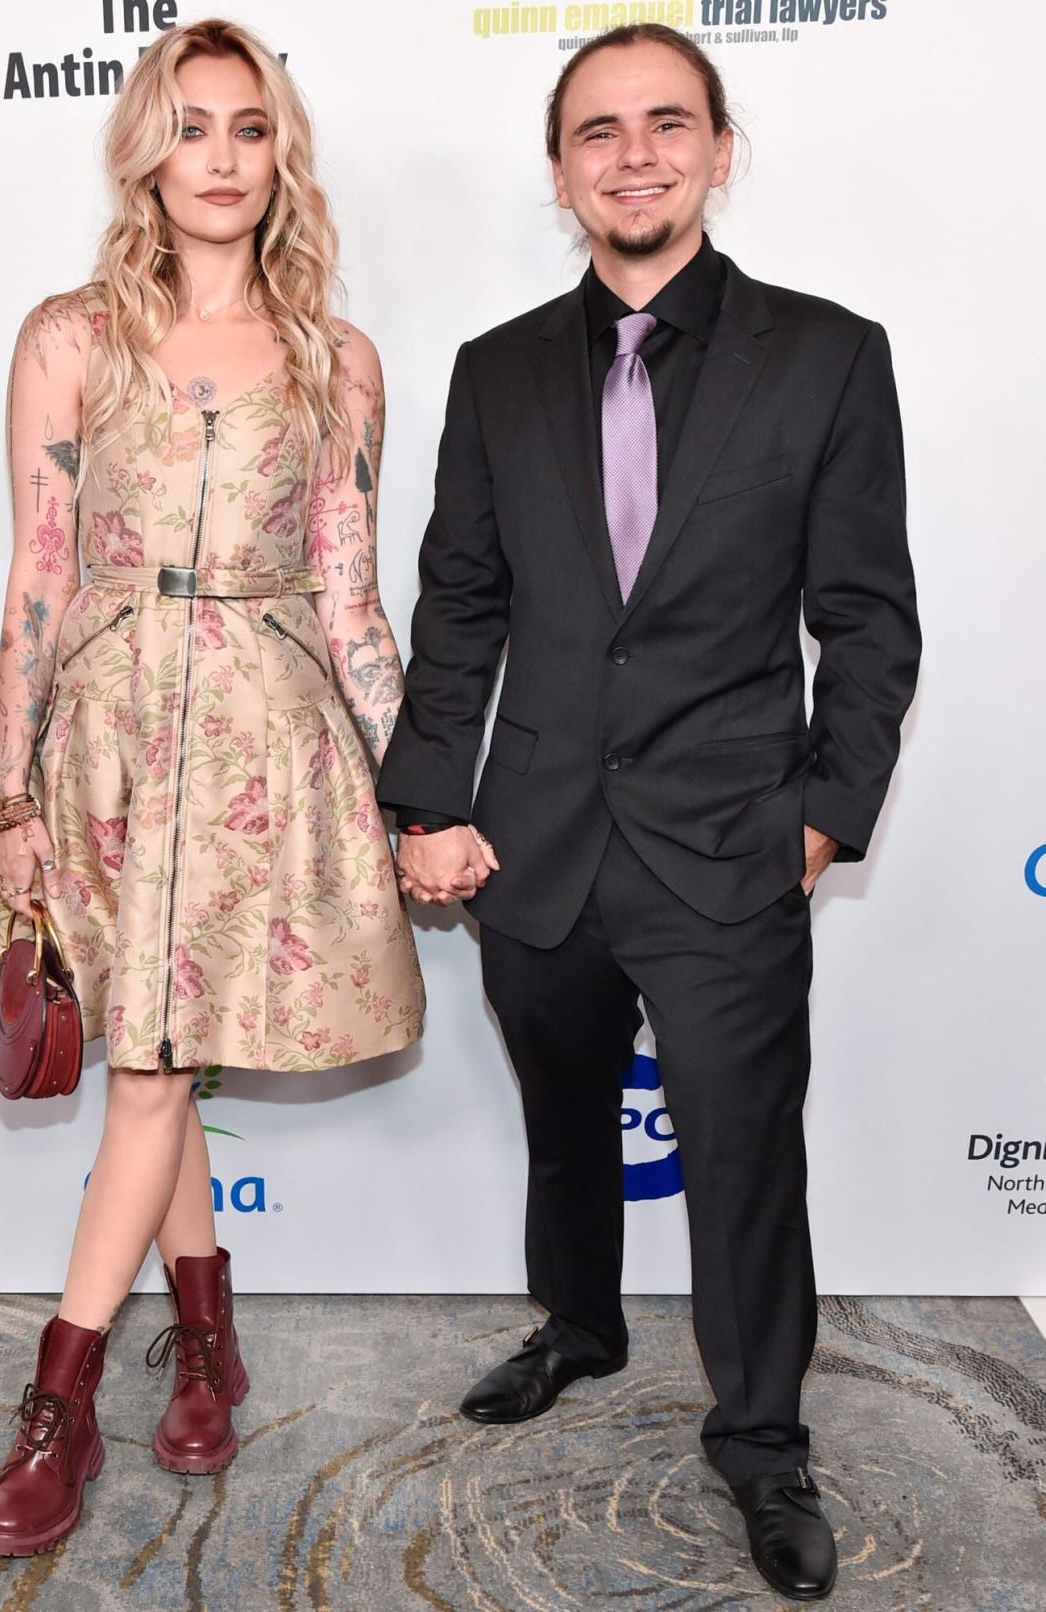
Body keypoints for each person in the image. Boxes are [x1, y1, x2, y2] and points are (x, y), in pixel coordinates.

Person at [378, 23, 919, 1602]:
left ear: (716, 148)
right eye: (597, 131)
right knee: (563, 1130)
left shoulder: (824, 354)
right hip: (527, 842)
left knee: (744, 1155)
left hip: (729, 840)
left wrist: (824, 814)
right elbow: (459, 606)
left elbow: (867, 618)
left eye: (664, 123)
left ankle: (759, 1442)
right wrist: (426, 804)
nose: (632, 153)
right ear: (560, 173)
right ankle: (583, 1326)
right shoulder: (493, 372)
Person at [0, 19, 424, 1557]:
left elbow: (352, 597)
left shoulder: (334, 359)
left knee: (158, 1067)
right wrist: (10, 788)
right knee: (148, 1059)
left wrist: (411, 789)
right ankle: (202, 1345)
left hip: (260, 740)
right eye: (193, 127)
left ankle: (61, 1406)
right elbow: (33, 576)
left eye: (249, 128)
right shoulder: (66, 336)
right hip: (99, 729)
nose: (222, 159)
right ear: (146, 149)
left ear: (281, 152)